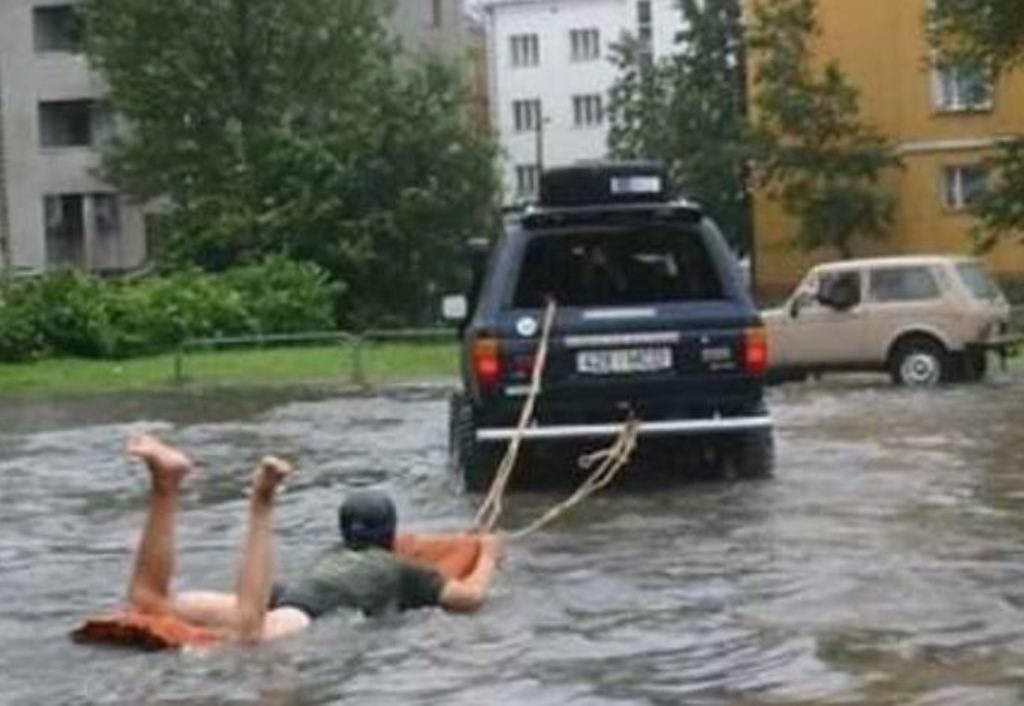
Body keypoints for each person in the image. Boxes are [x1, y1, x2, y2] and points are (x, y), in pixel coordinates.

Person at [122, 434, 503, 644]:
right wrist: (488, 553)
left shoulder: (333, 554)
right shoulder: (403, 570)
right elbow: (470, 598)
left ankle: (165, 484)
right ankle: (262, 501)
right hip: (298, 616)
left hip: (288, 597)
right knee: (248, 630)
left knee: (148, 601)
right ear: (389, 535)